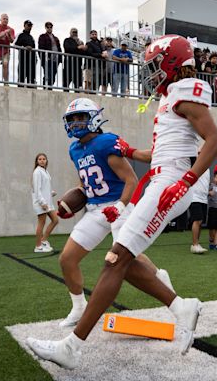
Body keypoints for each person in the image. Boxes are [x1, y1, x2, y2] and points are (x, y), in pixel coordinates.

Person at [26, 34, 217, 369]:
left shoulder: (185, 90)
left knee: (114, 261)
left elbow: (214, 141)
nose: (150, 72)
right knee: (124, 259)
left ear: (171, 61)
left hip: (171, 181)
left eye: (154, 65)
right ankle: (181, 307)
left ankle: (71, 349)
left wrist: (187, 181)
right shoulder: (172, 95)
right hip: (163, 178)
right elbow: (161, 150)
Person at [53, 97, 174, 329]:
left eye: (81, 118)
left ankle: (160, 277)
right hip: (96, 209)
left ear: (94, 118)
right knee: (67, 259)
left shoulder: (106, 141)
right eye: (72, 119)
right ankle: (78, 307)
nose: (76, 123)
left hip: (120, 205)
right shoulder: (74, 149)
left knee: (128, 258)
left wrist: (119, 206)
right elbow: (85, 183)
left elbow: (131, 180)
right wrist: (72, 201)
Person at [31, 153, 58, 253]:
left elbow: (44, 187)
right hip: (41, 203)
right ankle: (38, 246)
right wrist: (42, 202)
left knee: (55, 220)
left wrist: (51, 193)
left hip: (47, 202)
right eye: (40, 159)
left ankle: (43, 240)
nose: (42, 160)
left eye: (44, 159)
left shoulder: (45, 171)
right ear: (37, 161)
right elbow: (37, 189)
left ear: (46, 160)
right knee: (41, 223)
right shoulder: (37, 172)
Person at [189, 168, 210, 254]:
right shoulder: (195, 163)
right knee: (197, 220)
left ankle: (197, 243)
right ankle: (195, 245)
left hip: (204, 198)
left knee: (200, 222)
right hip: (194, 197)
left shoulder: (207, 169)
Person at [0, 13, 15, 84]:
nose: (5, 20)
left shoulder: (11, 29)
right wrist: (4, 33)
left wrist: (9, 35)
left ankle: (6, 83)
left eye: (7, 19)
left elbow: (12, 41)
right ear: (0, 19)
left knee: (5, 64)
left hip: (6, 51)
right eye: (4, 19)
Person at [38, 22, 61, 88]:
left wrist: (59, 59)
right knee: (48, 75)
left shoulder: (56, 38)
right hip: (47, 59)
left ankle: (49, 87)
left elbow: (59, 48)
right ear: (45, 28)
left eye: (50, 27)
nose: (49, 28)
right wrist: (44, 58)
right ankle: (46, 88)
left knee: (53, 76)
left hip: (55, 60)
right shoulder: (42, 36)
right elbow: (40, 48)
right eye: (48, 27)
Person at [15, 20, 36, 87]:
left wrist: (35, 59)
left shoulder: (31, 37)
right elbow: (15, 45)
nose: (30, 27)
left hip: (31, 61)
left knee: (31, 78)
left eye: (31, 25)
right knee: (21, 77)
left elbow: (34, 48)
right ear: (24, 25)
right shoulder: (20, 35)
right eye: (28, 25)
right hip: (23, 60)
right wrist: (24, 47)